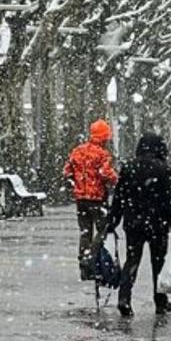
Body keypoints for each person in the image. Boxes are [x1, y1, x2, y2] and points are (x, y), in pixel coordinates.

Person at [107, 132, 171, 317]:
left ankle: (124, 298)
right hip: (158, 223)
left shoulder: (129, 168)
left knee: (132, 260)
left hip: (133, 223)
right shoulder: (163, 169)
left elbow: (119, 198)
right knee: (158, 263)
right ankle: (160, 301)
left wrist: (112, 221)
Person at [64, 119, 118, 280]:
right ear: (104, 137)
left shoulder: (77, 151)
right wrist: (117, 180)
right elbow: (105, 173)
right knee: (102, 230)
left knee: (85, 232)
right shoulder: (102, 155)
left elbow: (67, 171)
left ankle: (84, 263)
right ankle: (92, 259)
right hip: (97, 198)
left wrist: (77, 184)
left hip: (81, 198)